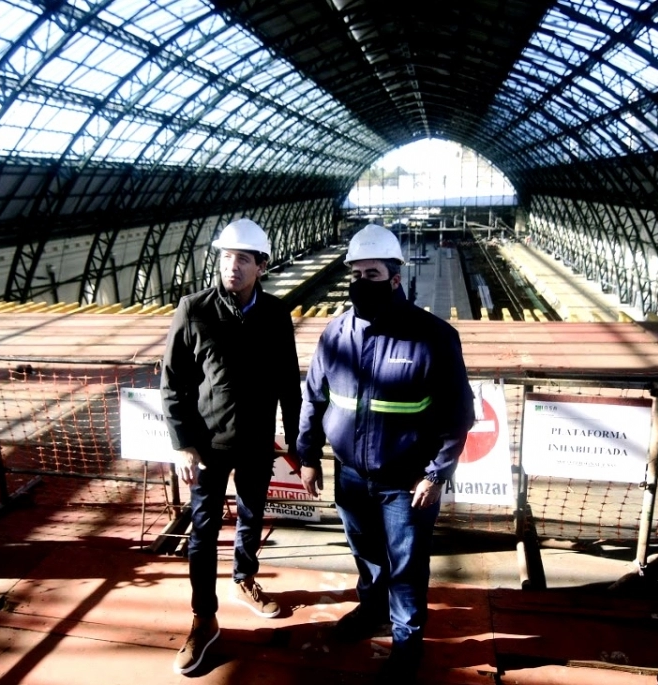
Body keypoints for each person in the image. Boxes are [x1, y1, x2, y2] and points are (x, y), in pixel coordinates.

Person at [296, 224, 474, 683]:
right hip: (351, 475)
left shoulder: (432, 336)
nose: (360, 281)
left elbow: (459, 415)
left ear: (395, 278)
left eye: (371, 273)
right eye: (355, 273)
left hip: (406, 480)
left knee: (407, 564)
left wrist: (436, 475)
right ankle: (372, 611)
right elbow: (314, 396)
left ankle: (407, 639)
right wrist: (309, 454)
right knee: (367, 554)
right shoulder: (336, 333)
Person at [162, 218, 302, 676]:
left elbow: (288, 386)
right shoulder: (193, 309)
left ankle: (245, 578)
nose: (232, 266)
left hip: (257, 443)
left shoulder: (277, 315)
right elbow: (172, 385)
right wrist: (184, 445)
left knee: (251, 515)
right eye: (226, 257)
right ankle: (204, 618)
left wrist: (296, 443)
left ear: (261, 265)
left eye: (243, 258)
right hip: (207, 448)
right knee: (201, 533)